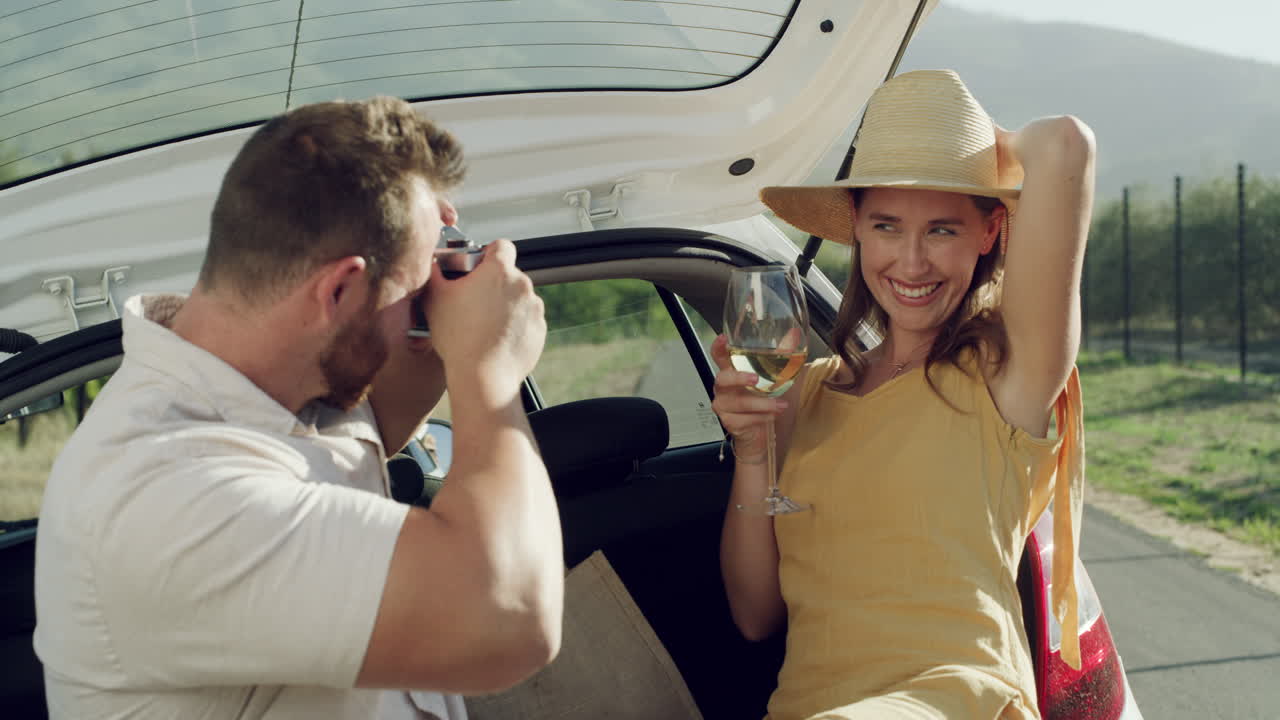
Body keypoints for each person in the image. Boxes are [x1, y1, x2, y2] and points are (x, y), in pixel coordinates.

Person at [33, 96, 564, 719]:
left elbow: (363, 422)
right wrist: (490, 370)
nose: (417, 307)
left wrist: (428, 273)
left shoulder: (273, 379)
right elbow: (510, 618)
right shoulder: (164, 493)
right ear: (337, 290)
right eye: (409, 291)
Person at [712, 69, 1094, 719]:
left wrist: (972, 150)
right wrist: (753, 450)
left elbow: (1064, 145)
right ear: (856, 226)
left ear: (989, 233)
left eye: (942, 229)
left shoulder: (1006, 374)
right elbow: (754, 616)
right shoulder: (803, 391)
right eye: (887, 226)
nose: (912, 263)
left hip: (959, 697)